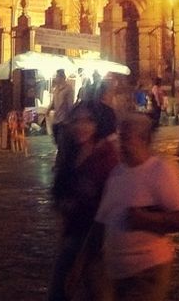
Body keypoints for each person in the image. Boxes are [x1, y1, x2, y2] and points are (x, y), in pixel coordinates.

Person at [91, 112, 179, 300]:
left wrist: (148, 219)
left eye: (126, 138)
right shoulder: (117, 173)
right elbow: (100, 222)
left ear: (143, 139)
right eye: (120, 138)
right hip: (117, 273)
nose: (120, 145)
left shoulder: (159, 171)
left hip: (147, 271)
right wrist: (82, 263)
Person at [48, 103, 118, 301]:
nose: (81, 126)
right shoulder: (70, 153)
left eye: (88, 120)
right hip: (71, 237)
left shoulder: (106, 158)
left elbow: (107, 206)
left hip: (96, 243)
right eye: (76, 120)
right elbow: (61, 194)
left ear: (99, 124)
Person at [51, 68, 75, 160]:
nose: (55, 78)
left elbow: (70, 104)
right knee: (57, 140)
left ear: (61, 77)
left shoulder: (68, 89)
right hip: (56, 119)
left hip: (64, 119)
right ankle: (60, 159)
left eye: (57, 76)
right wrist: (49, 108)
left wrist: (69, 119)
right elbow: (53, 101)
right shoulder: (56, 88)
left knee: (62, 142)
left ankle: (60, 161)